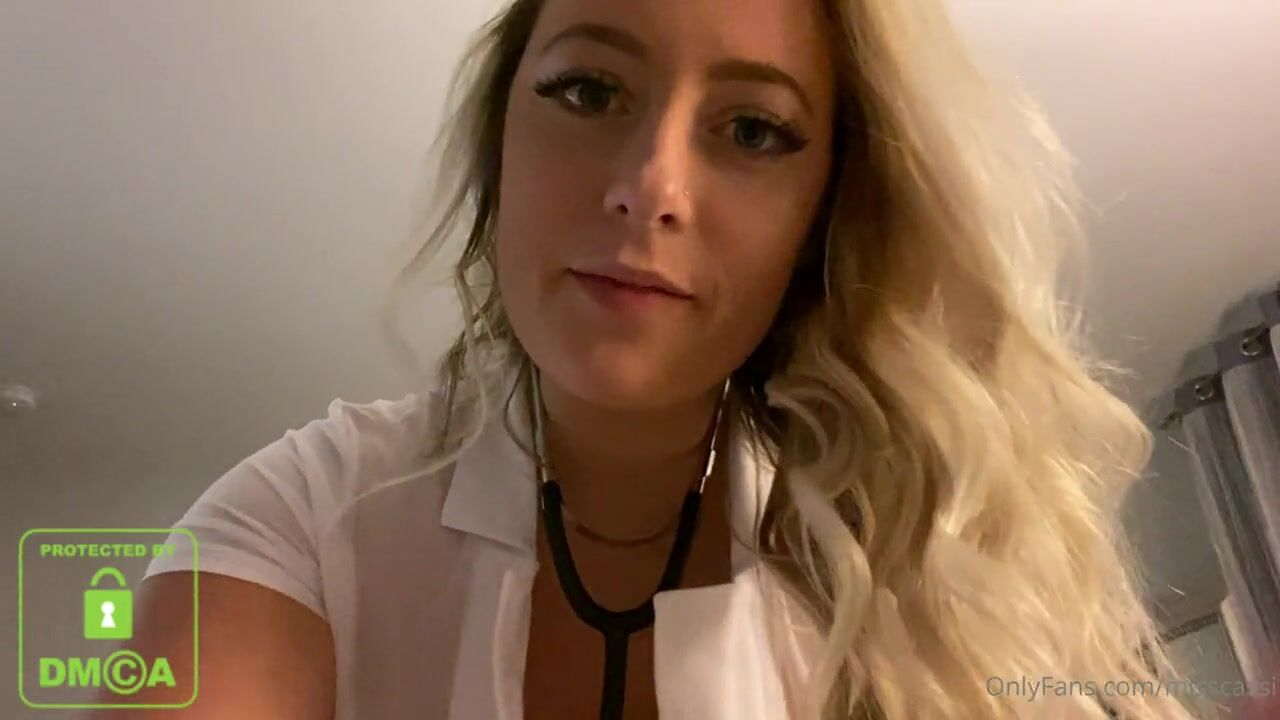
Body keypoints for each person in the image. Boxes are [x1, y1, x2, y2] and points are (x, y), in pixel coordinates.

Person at [101, 0, 1209, 718]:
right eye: (588, 91)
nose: (649, 187)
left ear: (825, 216)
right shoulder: (305, 517)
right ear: (497, 147)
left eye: (753, 130)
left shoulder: (944, 572)